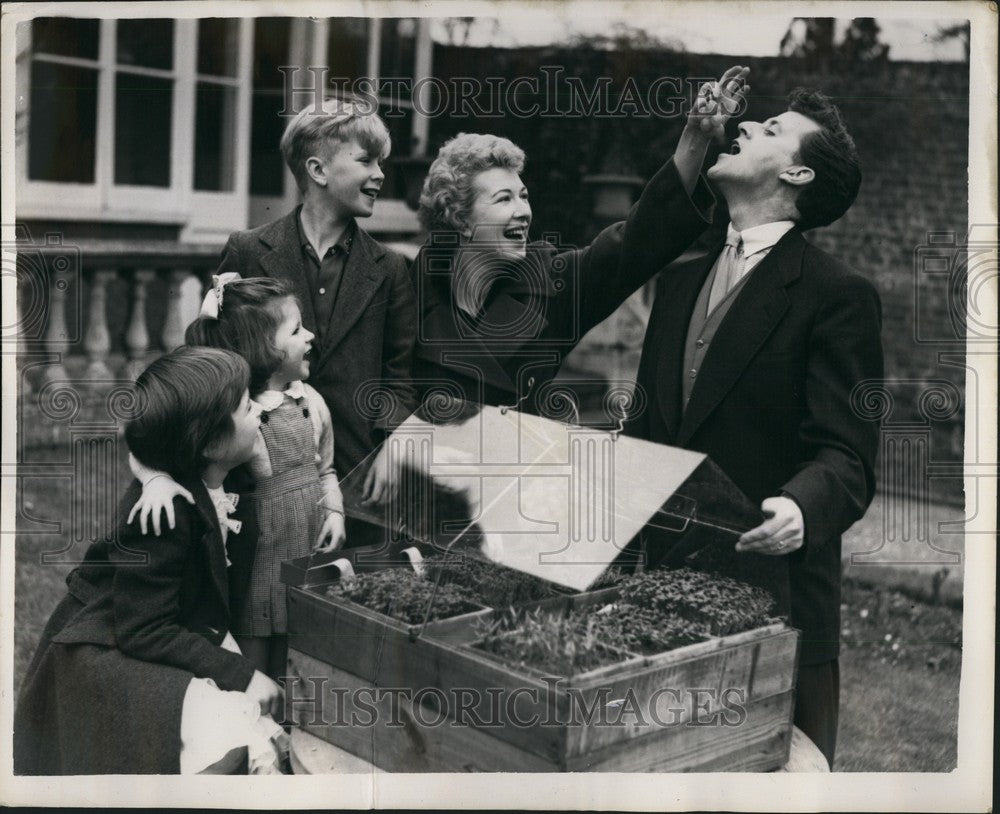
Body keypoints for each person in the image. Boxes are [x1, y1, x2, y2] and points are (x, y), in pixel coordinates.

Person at [628, 88, 884, 767]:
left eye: (770, 128)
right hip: (657, 603)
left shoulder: (838, 296)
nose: (743, 124)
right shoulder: (679, 284)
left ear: (797, 175)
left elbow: (849, 455)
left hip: (778, 614)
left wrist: (802, 506)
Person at [406, 68, 751, 413]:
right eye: (503, 199)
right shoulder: (404, 288)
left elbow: (636, 241)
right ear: (460, 219)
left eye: (523, 196)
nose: (523, 211)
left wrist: (695, 136)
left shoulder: (551, 280)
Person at [14, 347, 286, 775]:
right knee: (230, 731)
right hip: (106, 648)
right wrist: (242, 674)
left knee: (250, 722)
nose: (259, 413)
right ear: (211, 442)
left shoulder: (212, 472)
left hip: (159, 625)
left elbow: (146, 437)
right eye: (246, 407)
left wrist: (152, 474)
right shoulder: (164, 515)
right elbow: (145, 629)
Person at [127, 275, 346, 680]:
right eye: (297, 330)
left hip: (308, 546)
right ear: (264, 349)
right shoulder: (233, 416)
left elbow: (326, 469)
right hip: (261, 556)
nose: (311, 335)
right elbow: (156, 441)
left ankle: (292, 719)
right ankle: (254, 711)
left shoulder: (312, 403)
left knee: (305, 645)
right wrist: (155, 479)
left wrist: (335, 511)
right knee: (256, 644)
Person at [215, 97, 417, 484]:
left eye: (381, 163)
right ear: (318, 170)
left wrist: (393, 442)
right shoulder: (248, 251)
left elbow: (399, 373)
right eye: (366, 161)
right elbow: (216, 359)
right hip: (261, 467)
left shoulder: (390, 268)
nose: (379, 175)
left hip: (359, 468)